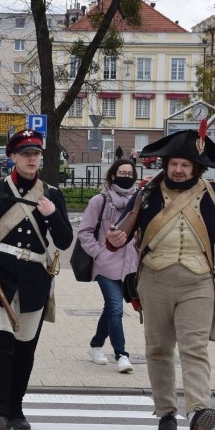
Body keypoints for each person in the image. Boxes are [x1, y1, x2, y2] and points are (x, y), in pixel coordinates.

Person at [105, 127, 215, 430]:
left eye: (185, 164)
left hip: (197, 282)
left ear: (196, 168)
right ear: (166, 164)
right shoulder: (147, 194)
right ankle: (166, 411)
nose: (178, 169)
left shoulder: (213, 194)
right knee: (158, 349)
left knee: (194, 347)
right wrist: (117, 238)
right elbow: (124, 235)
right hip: (154, 279)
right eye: (174, 163)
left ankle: (199, 410)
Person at [0, 130, 73, 430]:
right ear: (13, 157)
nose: (31, 159)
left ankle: (16, 407)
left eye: (35, 154)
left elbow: (64, 240)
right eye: (25, 153)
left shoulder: (51, 194)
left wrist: (52, 216)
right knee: (0, 345)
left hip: (34, 280)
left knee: (25, 349)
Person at [78, 159, 139, 374]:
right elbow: (85, 231)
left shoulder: (139, 201)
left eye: (129, 173)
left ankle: (96, 345)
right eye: (121, 172)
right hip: (105, 264)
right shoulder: (99, 201)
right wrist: (99, 253)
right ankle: (121, 355)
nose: (125, 176)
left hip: (130, 265)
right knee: (116, 308)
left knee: (110, 309)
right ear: (112, 175)